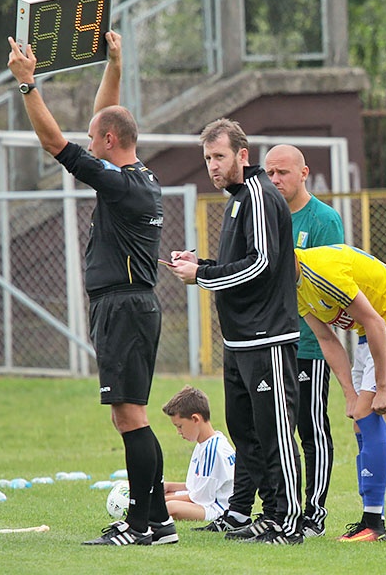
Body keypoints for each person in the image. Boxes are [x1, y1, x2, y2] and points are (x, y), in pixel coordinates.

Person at [7, 32, 176, 545]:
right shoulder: (140, 175)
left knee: (130, 418)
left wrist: (27, 84)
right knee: (132, 417)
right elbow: (108, 116)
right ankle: (159, 522)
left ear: (107, 143)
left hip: (122, 307)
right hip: (135, 305)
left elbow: (54, 143)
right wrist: (115, 64)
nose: (89, 138)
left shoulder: (120, 184)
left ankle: (142, 525)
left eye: (95, 136)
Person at [167, 119, 303, 545]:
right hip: (239, 340)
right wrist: (199, 264)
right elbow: (238, 264)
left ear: (243, 156)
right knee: (245, 432)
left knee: (275, 432)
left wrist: (201, 276)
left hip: (267, 339)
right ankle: (247, 511)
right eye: (207, 158)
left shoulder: (261, 197)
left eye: (219, 157)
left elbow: (262, 264)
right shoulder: (238, 198)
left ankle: (288, 519)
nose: (212, 166)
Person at [295, 244, 386, 542]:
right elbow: (326, 339)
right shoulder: (294, 284)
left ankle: (374, 526)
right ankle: (371, 519)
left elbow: (376, 320)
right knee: (359, 418)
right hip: (372, 330)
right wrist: (349, 395)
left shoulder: (320, 271)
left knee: (368, 416)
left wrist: (383, 388)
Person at [265, 144, 344, 537]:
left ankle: (315, 512)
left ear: (304, 173)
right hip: (272, 340)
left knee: (311, 427)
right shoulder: (265, 215)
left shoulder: (324, 220)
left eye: (282, 172)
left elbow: (333, 286)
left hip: (310, 344)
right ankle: (280, 508)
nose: (275, 180)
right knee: (273, 428)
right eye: (270, 173)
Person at [161, 386, 236, 522]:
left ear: (195, 419)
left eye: (180, 426)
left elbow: (200, 498)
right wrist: (169, 486)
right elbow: (196, 487)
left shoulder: (213, 451)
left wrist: (156, 502)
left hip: (217, 509)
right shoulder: (204, 444)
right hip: (205, 499)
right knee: (167, 494)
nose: (179, 432)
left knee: (169, 506)